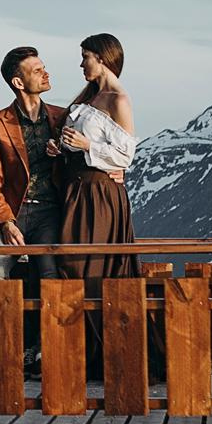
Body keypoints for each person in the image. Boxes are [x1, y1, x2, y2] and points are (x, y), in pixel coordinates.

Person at [0, 46, 69, 286]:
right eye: (37, 70)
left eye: (44, 68)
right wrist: (6, 223)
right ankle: (0, 325)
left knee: (53, 278)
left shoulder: (63, 118)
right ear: (18, 82)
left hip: (52, 214)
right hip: (11, 213)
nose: (46, 74)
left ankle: (49, 326)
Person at [56, 32, 137, 285]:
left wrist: (87, 144)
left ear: (101, 58)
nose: (81, 64)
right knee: (69, 263)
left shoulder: (119, 100)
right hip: (76, 190)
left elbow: (125, 155)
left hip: (99, 194)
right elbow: (78, 144)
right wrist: (60, 147)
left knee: (89, 266)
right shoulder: (87, 98)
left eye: (85, 57)